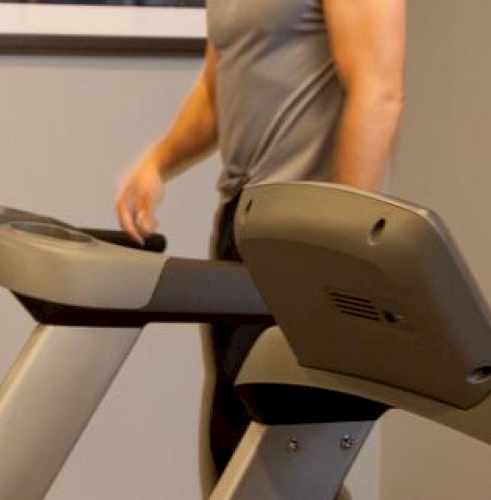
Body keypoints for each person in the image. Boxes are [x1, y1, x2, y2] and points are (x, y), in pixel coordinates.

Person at [112, 0, 407, 478]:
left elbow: (379, 91)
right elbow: (216, 87)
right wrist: (157, 162)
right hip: (241, 222)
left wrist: (342, 235)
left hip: (306, 232)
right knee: (234, 445)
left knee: (281, 451)